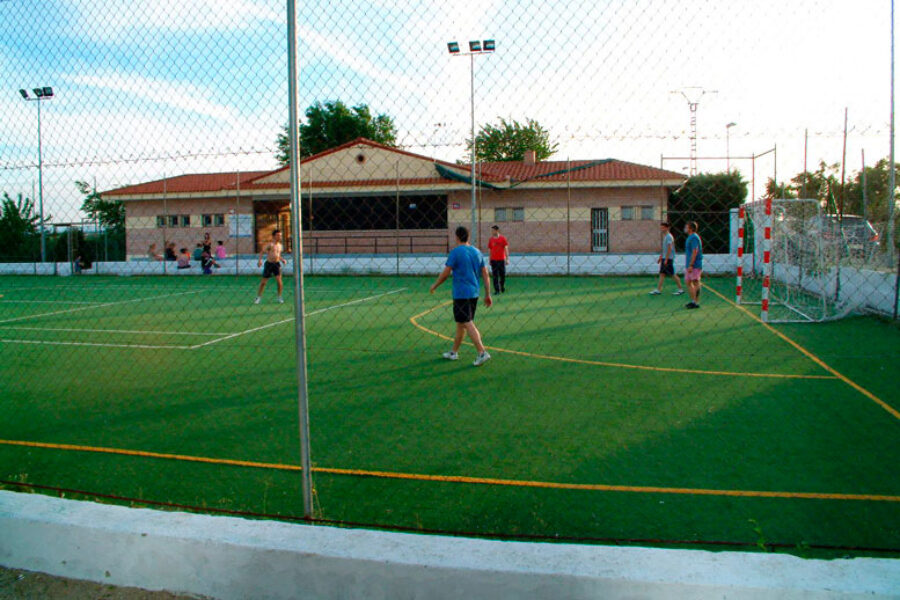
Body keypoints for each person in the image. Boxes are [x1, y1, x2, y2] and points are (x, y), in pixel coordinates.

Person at [429, 226, 493, 367]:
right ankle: (454, 352)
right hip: (474, 293)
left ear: (457, 237)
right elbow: (485, 274)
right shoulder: (477, 252)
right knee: (461, 323)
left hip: (461, 294)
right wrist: (488, 294)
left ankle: (482, 352)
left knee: (467, 322)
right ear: (468, 237)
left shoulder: (456, 252)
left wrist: (435, 285)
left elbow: (446, 273)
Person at [649, 221, 684, 296]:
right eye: (661, 227)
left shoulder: (669, 236)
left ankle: (680, 289)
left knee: (672, 274)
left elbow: (669, 248)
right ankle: (658, 290)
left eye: (663, 228)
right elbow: (665, 249)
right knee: (662, 274)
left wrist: (667, 259)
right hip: (665, 258)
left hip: (668, 259)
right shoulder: (665, 236)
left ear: (667, 228)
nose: (661, 229)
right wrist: (661, 257)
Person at [255, 229, 287, 304]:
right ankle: (258, 297)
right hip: (269, 264)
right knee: (263, 282)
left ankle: (279, 297)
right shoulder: (270, 245)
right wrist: (259, 261)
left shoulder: (280, 246)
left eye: (280, 235)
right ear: (273, 236)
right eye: (278, 235)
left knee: (279, 282)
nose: (279, 237)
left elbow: (278, 255)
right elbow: (262, 252)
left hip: (276, 264)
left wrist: (282, 260)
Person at [684, 221, 703, 309]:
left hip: (694, 264)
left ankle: (696, 301)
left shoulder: (694, 237)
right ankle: (693, 300)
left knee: (695, 281)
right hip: (689, 264)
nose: (685, 228)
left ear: (691, 228)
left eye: (687, 227)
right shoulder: (690, 237)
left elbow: (695, 251)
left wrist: (691, 264)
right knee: (688, 281)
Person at [487, 225, 509, 294]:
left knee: (503, 275)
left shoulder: (502, 239)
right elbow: (490, 250)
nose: (492, 232)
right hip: (494, 260)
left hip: (501, 259)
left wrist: (507, 259)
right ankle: (497, 290)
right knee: (495, 275)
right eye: (492, 230)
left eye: (493, 230)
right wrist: (489, 259)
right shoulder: (491, 240)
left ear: (497, 230)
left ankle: (501, 286)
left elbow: (506, 248)